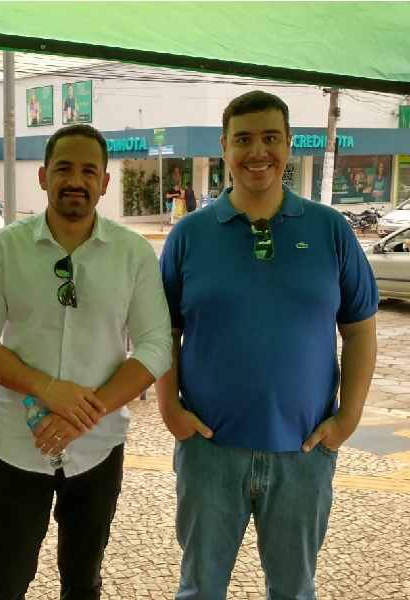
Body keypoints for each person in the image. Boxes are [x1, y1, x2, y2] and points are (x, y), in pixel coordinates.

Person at [156, 90, 379, 600]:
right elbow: (162, 331)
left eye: (270, 138)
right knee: (199, 590)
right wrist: (169, 409)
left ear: (289, 144)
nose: (258, 151)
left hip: (304, 452)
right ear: (224, 147)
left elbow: (360, 328)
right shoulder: (189, 235)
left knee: (294, 591)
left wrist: (348, 419)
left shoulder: (330, 230)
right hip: (209, 452)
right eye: (244, 139)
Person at [0, 123, 172, 600]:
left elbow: (156, 344)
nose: (76, 180)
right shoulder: (7, 247)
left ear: (104, 182)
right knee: (6, 583)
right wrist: (47, 388)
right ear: (43, 177)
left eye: (88, 171)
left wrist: (85, 413)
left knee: (83, 581)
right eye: (64, 169)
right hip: (18, 447)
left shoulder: (133, 252)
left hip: (99, 448)